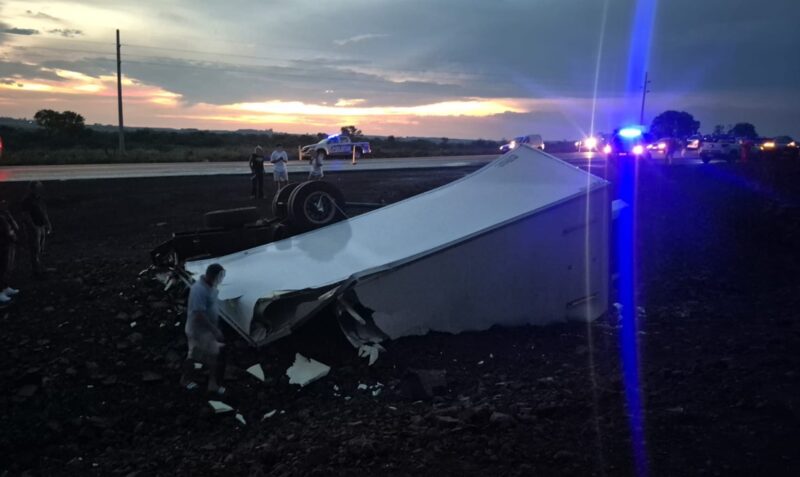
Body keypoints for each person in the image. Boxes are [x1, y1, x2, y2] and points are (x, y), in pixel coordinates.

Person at [180, 263, 228, 394]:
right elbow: (198, 314)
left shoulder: (210, 287)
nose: (221, 279)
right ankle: (187, 380)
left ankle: (211, 383)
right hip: (198, 330)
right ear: (214, 275)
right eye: (221, 276)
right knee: (196, 355)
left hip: (206, 330)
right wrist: (214, 330)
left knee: (211, 354)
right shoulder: (199, 290)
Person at [20, 181, 52, 279]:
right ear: (32, 189)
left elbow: (44, 212)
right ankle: (36, 271)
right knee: (35, 249)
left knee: (40, 248)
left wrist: (48, 223)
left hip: (41, 226)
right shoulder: (27, 200)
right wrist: (33, 226)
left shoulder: (39, 199)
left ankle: (40, 268)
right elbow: (26, 215)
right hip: (34, 227)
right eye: (38, 187)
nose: (40, 189)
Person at [0, 201, 20, 304]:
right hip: (3, 244)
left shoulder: (5, 215)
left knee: (8, 267)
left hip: (9, 244)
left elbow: (15, 227)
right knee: (2, 268)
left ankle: (5, 287)